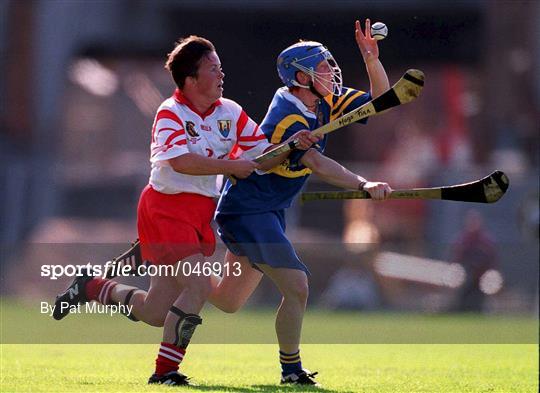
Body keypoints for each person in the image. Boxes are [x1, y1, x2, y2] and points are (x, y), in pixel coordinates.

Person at [52, 35, 317, 386]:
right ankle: (165, 373)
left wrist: (292, 146)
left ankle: (91, 287)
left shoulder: (231, 111)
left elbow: (262, 153)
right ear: (191, 80)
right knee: (198, 286)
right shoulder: (170, 112)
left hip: (198, 214)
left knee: (154, 311)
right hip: (165, 210)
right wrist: (232, 167)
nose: (221, 74)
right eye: (213, 68)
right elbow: (181, 162)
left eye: (220, 67)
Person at [211, 19, 393, 386]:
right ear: (300, 77)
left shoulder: (324, 100)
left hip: (269, 212)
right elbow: (317, 163)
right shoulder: (287, 114)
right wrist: (362, 183)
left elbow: (381, 102)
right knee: (297, 286)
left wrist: (371, 59)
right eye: (322, 68)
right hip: (248, 210)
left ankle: (173, 277)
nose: (331, 72)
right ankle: (291, 370)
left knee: (225, 301)